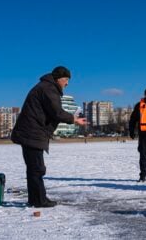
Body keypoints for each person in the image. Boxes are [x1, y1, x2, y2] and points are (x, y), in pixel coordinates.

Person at [11, 66, 87, 208]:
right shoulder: (48, 89)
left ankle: (36, 198)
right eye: (66, 80)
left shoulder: (45, 87)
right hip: (32, 133)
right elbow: (56, 112)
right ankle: (38, 200)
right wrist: (74, 119)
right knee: (36, 168)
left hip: (31, 132)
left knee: (34, 168)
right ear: (59, 79)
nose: (67, 84)